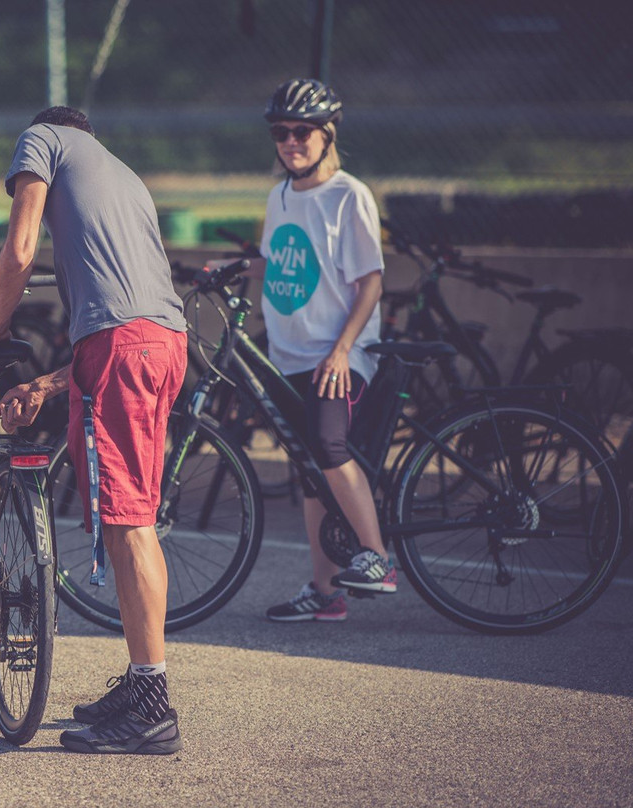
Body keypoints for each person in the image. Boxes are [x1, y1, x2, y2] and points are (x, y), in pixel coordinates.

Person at [0, 106, 188, 755]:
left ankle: (152, 708)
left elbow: (21, 248)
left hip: (125, 347)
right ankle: (141, 683)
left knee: (130, 521)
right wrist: (43, 385)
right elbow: (128, 321)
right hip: (149, 344)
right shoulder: (122, 176)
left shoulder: (44, 139)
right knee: (124, 519)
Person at [256, 78, 396, 623]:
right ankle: (325, 589)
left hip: (336, 355)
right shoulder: (279, 195)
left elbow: (371, 283)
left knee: (328, 443)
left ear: (326, 134)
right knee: (310, 470)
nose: (290, 142)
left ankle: (377, 559)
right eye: (280, 133)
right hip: (289, 354)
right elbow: (276, 263)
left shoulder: (349, 195)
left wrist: (341, 351)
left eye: (301, 132)